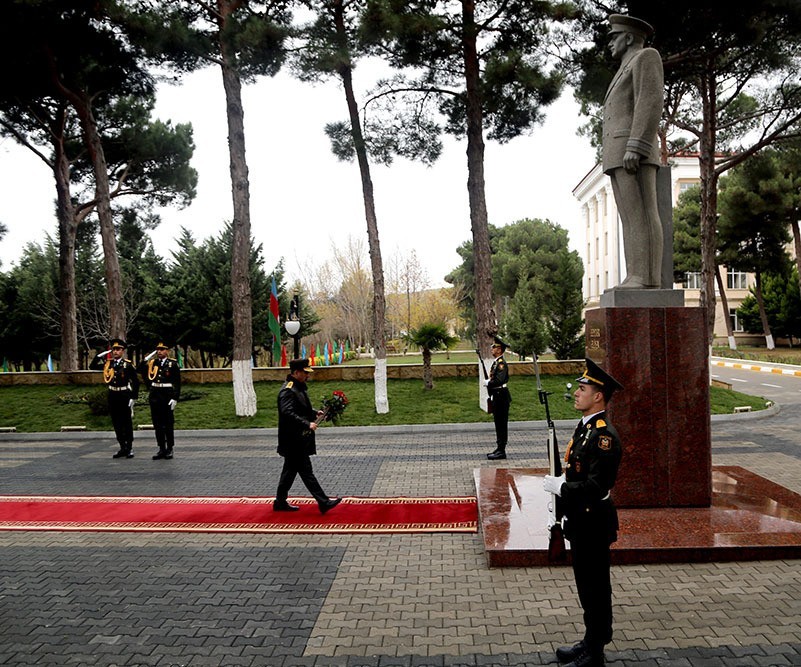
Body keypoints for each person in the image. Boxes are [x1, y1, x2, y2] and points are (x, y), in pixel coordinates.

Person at [544, 358, 624, 667]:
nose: (577, 393)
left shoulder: (604, 437)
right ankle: (590, 641)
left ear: (598, 395)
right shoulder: (585, 430)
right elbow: (577, 474)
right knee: (585, 587)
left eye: (582, 388)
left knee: (596, 587)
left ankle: (596, 651)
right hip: (580, 521)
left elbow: (596, 485)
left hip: (594, 521)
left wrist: (561, 489)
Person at [602, 13, 664, 290]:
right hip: (618, 151)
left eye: (614, 37)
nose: (610, 43)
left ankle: (647, 278)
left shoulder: (645, 57)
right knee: (628, 216)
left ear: (628, 37)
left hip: (632, 150)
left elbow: (649, 102)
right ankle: (634, 275)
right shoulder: (624, 66)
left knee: (643, 213)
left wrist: (636, 145)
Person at [274, 358, 342, 514]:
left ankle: (280, 502)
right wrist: (307, 424)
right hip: (293, 440)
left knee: (289, 472)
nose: (308, 375)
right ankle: (323, 502)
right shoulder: (288, 390)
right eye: (305, 372)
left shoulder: (298, 388)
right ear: (296, 372)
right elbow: (287, 413)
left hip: (297, 439)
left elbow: (300, 409)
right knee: (306, 471)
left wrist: (314, 413)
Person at [90, 338, 140, 459]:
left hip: (124, 395)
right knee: (116, 422)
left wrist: (133, 397)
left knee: (126, 422)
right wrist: (100, 355)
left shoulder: (127, 365)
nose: (115, 352)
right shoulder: (108, 364)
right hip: (113, 395)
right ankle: (122, 446)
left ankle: (129, 447)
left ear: (122, 351)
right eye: (114, 349)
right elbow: (92, 366)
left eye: (118, 349)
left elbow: (136, 382)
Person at [139, 341, 181, 460]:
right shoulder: (153, 363)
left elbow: (177, 383)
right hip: (155, 395)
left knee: (167, 423)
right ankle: (161, 448)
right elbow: (139, 369)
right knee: (157, 424)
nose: (159, 352)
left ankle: (169, 448)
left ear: (167, 351)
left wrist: (175, 398)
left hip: (166, 395)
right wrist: (146, 358)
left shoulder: (172, 364)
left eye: (162, 350)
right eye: (158, 350)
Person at [486, 337, 512, 460]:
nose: (492, 349)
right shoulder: (496, 362)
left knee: (501, 424)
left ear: (499, 349)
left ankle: (501, 450)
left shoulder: (501, 363)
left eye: (494, 347)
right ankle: (499, 448)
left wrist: (489, 383)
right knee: (498, 423)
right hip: (497, 396)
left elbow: (499, 380)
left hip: (501, 396)